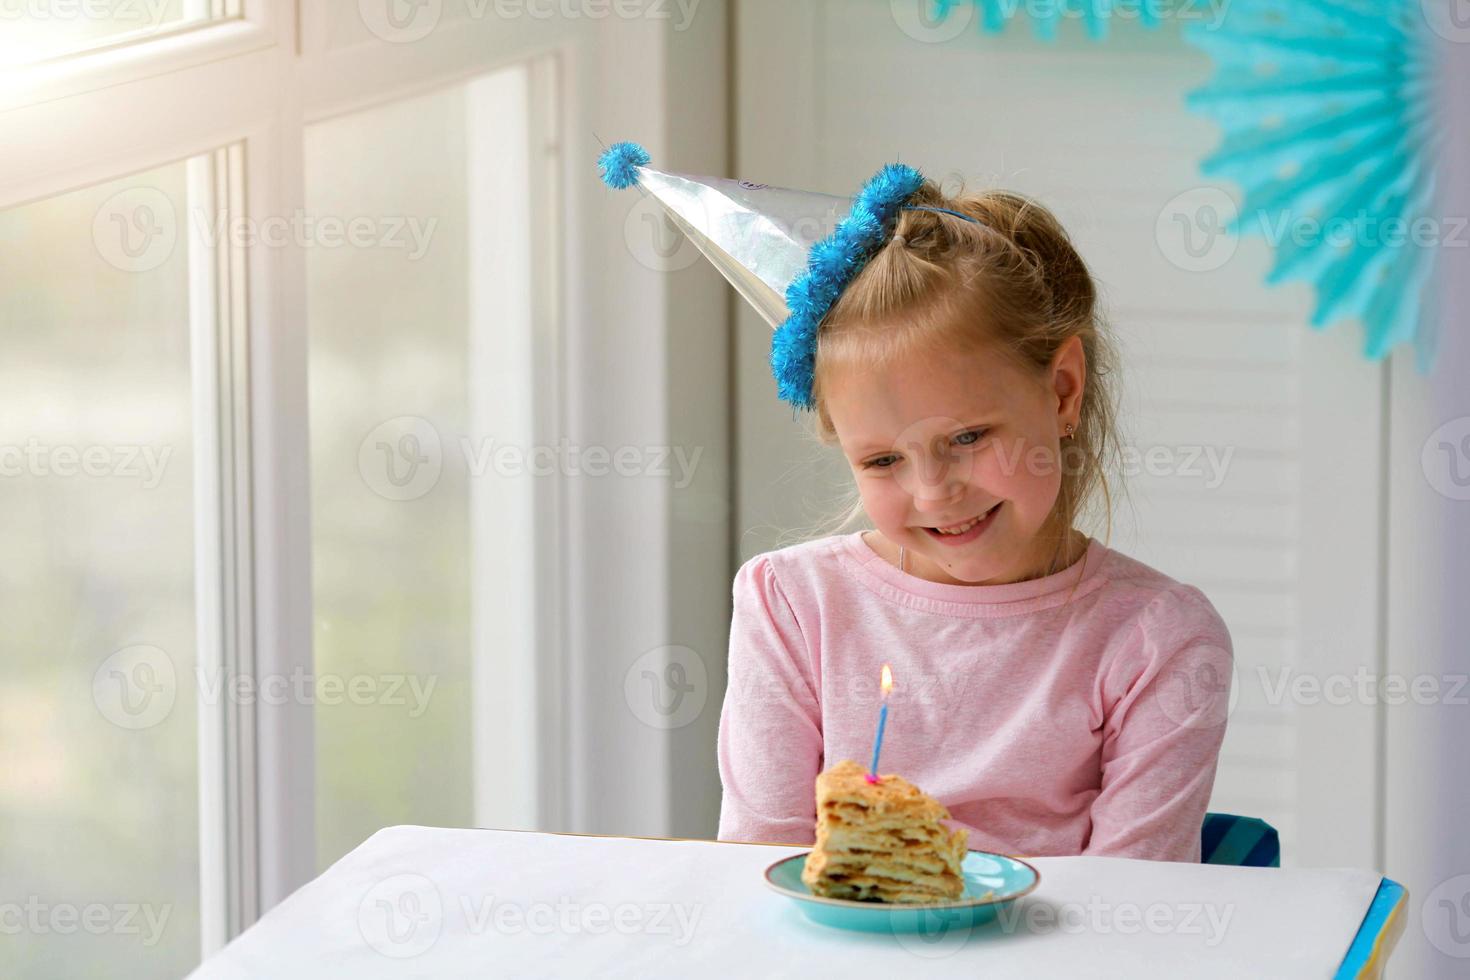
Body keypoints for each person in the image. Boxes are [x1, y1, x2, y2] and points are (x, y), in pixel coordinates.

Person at [596, 142, 1234, 862]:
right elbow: (760, 876)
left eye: (967, 436)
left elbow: (1130, 918)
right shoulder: (793, 607)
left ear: (1061, 392)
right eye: (882, 459)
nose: (933, 490)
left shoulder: (1156, 639)